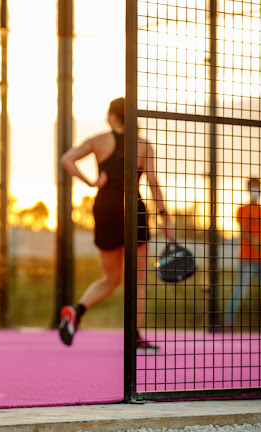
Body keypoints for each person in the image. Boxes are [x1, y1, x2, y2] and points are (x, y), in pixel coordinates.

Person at [58, 97, 174, 351]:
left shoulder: (98, 141)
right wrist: (165, 217)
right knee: (139, 278)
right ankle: (133, 335)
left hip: (106, 208)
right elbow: (152, 182)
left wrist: (89, 182)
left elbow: (67, 159)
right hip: (134, 209)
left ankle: (76, 311)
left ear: (112, 117)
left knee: (111, 279)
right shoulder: (142, 145)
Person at [224, 177, 261, 329]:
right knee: (240, 291)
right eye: (253, 187)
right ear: (248, 188)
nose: (255, 191)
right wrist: (255, 241)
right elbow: (243, 230)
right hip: (247, 259)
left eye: (258, 187)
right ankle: (227, 323)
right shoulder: (243, 209)